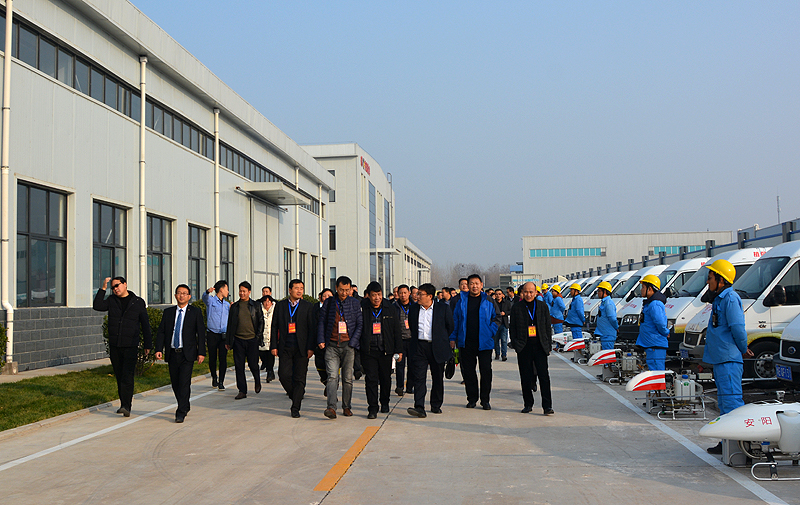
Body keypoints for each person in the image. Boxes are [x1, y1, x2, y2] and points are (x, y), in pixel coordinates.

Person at [701, 259, 751, 454]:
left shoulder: (730, 299)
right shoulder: (719, 299)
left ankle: (739, 448)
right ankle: (727, 444)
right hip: (721, 359)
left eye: (710, 278)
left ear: (721, 280)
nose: (708, 282)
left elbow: (737, 327)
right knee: (724, 404)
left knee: (732, 403)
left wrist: (743, 348)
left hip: (729, 360)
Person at [93, 276, 152, 417]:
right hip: (115, 345)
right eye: (113, 287)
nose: (115, 289)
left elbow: (145, 324)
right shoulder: (112, 301)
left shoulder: (137, 302)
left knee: (127, 375)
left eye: (117, 285)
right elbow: (97, 306)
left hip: (130, 345)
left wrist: (148, 344)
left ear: (125, 284)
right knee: (119, 376)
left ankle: (127, 406)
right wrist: (103, 288)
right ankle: (123, 404)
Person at [155, 284, 206, 423]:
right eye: (179, 293)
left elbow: (201, 333)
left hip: (187, 353)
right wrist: (158, 349)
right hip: (172, 352)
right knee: (175, 383)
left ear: (189, 296)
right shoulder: (168, 312)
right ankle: (185, 404)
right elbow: (161, 332)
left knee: (184, 382)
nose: (181, 295)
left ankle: (180, 411)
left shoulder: (195, 312)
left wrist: (201, 352)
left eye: (184, 293)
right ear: (175, 296)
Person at [450, 274, 499, 410]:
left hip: (484, 343)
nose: (474, 286)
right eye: (471, 283)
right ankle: (472, 399)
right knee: (469, 372)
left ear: (481, 285)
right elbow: (455, 320)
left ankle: (485, 400)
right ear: (468, 285)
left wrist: (490, 331)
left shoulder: (489, 300)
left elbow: (497, 318)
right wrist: (453, 338)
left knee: (486, 372)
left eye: (477, 283)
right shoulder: (461, 301)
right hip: (466, 342)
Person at [318, 276, 363, 419]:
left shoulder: (355, 303)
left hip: (348, 346)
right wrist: (321, 339)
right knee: (332, 377)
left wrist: (353, 342)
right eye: (341, 290)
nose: (344, 293)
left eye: (347, 290)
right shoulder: (329, 303)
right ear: (336, 288)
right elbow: (322, 321)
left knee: (347, 378)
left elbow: (360, 324)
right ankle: (331, 407)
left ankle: (346, 406)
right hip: (331, 345)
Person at [407, 283, 455, 418]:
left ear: (429, 296)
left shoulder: (443, 308)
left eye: (420, 294)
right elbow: (412, 326)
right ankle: (419, 406)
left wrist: (440, 338)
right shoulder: (414, 309)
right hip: (419, 347)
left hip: (437, 346)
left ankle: (436, 404)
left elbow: (450, 326)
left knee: (437, 377)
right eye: (417, 294)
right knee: (419, 377)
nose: (417, 296)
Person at [270, 279, 316, 418]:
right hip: (285, 347)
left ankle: (295, 407)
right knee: (283, 375)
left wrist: (311, 347)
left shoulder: (308, 306)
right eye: (296, 288)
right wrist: (273, 346)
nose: (299, 291)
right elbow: (274, 326)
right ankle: (295, 395)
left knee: (299, 378)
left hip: (302, 348)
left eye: (301, 288)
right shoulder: (281, 305)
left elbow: (312, 328)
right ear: (290, 290)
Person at [510, 282, 554, 415]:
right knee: (525, 377)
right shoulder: (516, 307)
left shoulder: (542, 306)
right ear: (522, 293)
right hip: (524, 347)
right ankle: (528, 404)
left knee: (544, 377)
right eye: (526, 292)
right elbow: (512, 328)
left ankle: (547, 406)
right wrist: (516, 344)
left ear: (536, 293)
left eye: (531, 292)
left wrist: (548, 345)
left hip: (540, 347)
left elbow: (547, 327)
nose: (528, 295)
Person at [361, 282, 403, 419]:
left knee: (385, 378)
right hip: (369, 351)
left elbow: (397, 330)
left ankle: (385, 402)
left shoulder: (389, 308)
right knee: (371, 380)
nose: (377, 298)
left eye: (379, 295)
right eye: (374, 295)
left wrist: (399, 350)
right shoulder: (363, 308)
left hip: (386, 350)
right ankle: (372, 408)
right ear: (368, 296)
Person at [225, 281, 264, 400]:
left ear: (249, 292)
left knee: (253, 364)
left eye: (244, 291)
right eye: (240, 291)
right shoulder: (235, 307)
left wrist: (257, 337)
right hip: (238, 340)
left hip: (252, 340)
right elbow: (230, 324)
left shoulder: (256, 305)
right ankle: (242, 390)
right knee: (239, 366)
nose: (242, 293)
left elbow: (261, 322)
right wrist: (228, 341)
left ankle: (257, 380)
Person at [635, 275, 669, 371]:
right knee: (653, 370)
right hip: (651, 344)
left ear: (650, 289)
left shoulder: (655, 304)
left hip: (655, 344)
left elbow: (660, 323)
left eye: (643, 287)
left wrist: (666, 332)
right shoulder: (650, 304)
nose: (641, 290)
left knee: (657, 372)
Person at [202, 281, 230, 390]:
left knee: (223, 358)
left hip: (223, 335)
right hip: (212, 334)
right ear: (221, 289)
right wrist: (207, 292)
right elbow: (204, 298)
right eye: (226, 289)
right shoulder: (211, 300)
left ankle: (221, 381)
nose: (228, 291)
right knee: (212, 358)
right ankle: (214, 377)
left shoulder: (227, 304)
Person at [393, 284, 415, 396]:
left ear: (409, 293)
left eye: (405, 293)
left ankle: (410, 386)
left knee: (412, 364)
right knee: (400, 364)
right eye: (400, 293)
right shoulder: (394, 307)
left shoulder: (415, 306)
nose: (403, 295)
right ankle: (400, 386)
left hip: (412, 340)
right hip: (399, 340)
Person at [314, 288, 333, 393]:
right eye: (324, 296)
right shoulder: (315, 310)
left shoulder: (337, 310)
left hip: (332, 343)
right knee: (320, 366)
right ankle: (326, 382)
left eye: (329, 296)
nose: (327, 298)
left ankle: (332, 388)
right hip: (319, 344)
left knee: (332, 369)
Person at [594, 281, 618, 350]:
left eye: (599, 291)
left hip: (608, 335)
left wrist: (616, 327)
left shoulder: (609, 303)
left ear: (605, 291)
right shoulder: (604, 302)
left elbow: (612, 318)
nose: (598, 293)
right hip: (604, 334)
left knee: (608, 354)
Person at [259, 294, 276, 382]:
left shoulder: (275, 311)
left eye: (269, 301)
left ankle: (270, 371)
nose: (267, 303)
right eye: (265, 301)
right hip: (262, 337)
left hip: (271, 337)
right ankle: (269, 370)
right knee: (263, 355)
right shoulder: (259, 310)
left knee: (270, 355)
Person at [494, 289, 512, 361]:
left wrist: (505, 313)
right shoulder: (493, 303)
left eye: (499, 294)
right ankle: (497, 353)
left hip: (504, 323)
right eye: (496, 294)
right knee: (496, 341)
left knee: (504, 340)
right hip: (495, 324)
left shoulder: (507, 303)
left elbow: (511, 311)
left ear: (502, 295)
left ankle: (504, 355)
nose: (498, 295)